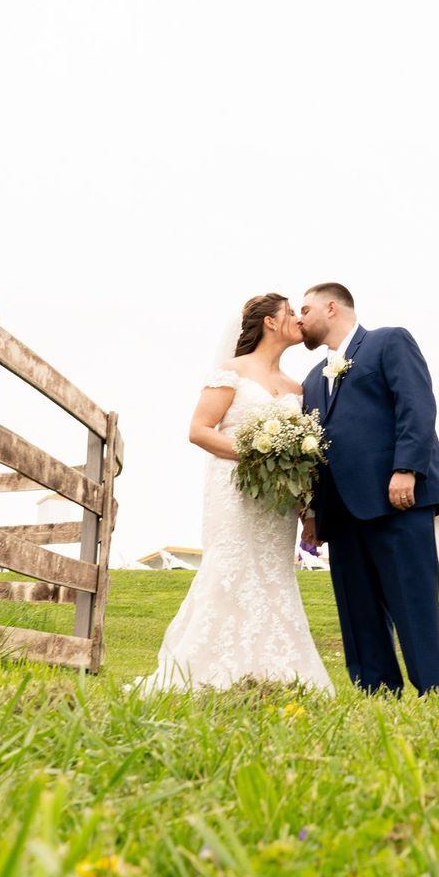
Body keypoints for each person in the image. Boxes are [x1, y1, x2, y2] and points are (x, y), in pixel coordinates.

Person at [130, 294, 335, 695]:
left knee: (275, 577)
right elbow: (200, 430)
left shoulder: (298, 387)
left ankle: (276, 672)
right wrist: (258, 453)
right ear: (271, 323)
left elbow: (304, 458)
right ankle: (207, 669)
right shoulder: (231, 373)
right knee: (231, 571)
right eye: (290, 312)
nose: (298, 318)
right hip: (236, 496)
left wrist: (307, 513)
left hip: (276, 507)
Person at [298, 284, 439, 695]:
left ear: (331, 307)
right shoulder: (312, 379)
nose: (300, 319)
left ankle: (430, 693)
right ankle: (377, 691)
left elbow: (416, 405)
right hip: (341, 509)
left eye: (306, 309)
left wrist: (407, 469)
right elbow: (313, 449)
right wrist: (312, 513)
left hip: (396, 497)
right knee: (357, 608)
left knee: (412, 601)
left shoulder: (388, 341)